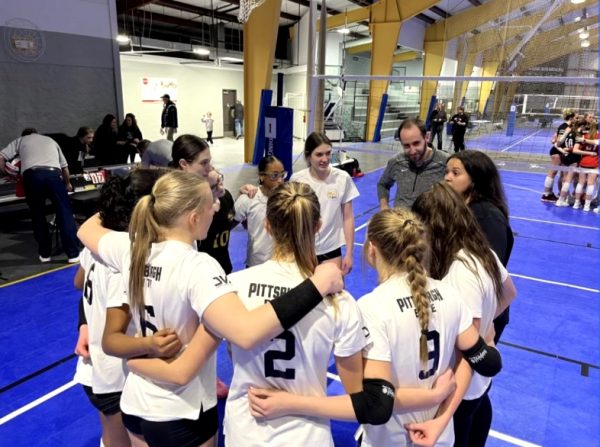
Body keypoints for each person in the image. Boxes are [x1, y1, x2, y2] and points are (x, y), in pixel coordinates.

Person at [76, 170, 344, 447]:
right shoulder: (198, 266)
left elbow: (85, 230)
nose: (216, 208)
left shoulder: (131, 248)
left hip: (136, 402)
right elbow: (247, 332)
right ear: (193, 218)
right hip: (181, 409)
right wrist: (317, 284)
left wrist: (121, 195)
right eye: (210, 205)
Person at [128, 182, 376, 446]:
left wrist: (132, 360)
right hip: (305, 435)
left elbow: (186, 364)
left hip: (245, 430)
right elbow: (356, 401)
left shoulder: (230, 288)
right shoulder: (340, 301)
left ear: (267, 225)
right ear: (319, 226)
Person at [247, 208, 504, 447]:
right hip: (439, 435)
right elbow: (487, 362)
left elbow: (378, 403)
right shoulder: (450, 294)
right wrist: (441, 413)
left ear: (372, 249)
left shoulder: (373, 307)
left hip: (391, 438)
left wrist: (291, 403)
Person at [412, 182, 517, 447]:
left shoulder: (460, 274)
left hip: (462, 390)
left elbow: (467, 358)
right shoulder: (482, 252)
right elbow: (509, 293)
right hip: (478, 384)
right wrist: (488, 325)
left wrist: (442, 417)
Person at [72, 169, 168, 447]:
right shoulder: (124, 257)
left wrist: (86, 321)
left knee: (110, 434)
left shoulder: (98, 245)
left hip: (94, 369)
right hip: (114, 373)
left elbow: (78, 282)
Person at [444, 150, 514, 342]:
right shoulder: (461, 209)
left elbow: (490, 272)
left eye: (455, 173)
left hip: (483, 312)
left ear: (475, 179)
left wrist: (485, 321)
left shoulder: (486, 216)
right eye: (447, 171)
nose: (447, 178)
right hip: (466, 311)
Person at [0, 128, 80, 263]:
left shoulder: (20, 140)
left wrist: (6, 173)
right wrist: (67, 184)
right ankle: (73, 255)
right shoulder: (51, 140)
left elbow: (1, 157)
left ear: (25, 135)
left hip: (32, 176)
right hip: (54, 175)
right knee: (64, 214)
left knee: (38, 216)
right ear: (37, 133)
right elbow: (65, 168)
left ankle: (45, 254)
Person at [290, 132, 359, 275]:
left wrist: (349, 253)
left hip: (332, 251)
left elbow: (348, 217)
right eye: (319, 154)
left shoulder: (342, 178)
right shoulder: (297, 180)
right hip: (304, 251)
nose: (325, 159)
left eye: (328, 153)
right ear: (308, 156)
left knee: (334, 295)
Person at [171, 134, 235, 275]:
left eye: (209, 162)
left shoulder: (222, 196)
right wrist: (210, 198)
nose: (210, 168)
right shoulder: (174, 202)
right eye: (204, 163)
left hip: (220, 269)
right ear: (184, 164)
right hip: (190, 275)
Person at [377, 118, 448, 209]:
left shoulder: (445, 163)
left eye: (416, 143)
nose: (412, 151)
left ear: (426, 137)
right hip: (400, 221)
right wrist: (384, 207)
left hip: (429, 222)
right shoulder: (396, 162)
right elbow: (383, 184)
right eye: (406, 146)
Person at [234, 155, 285, 267]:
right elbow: (226, 225)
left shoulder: (288, 198)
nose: (280, 180)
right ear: (262, 176)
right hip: (256, 263)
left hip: (282, 262)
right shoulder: (249, 199)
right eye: (274, 175)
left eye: (282, 175)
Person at [541, 109, 576, 202]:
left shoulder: (569, 126)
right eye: (575, 117)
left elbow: (554, 138)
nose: (576, 119)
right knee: (552, 172)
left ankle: (552, 193)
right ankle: (546, 195)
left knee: (558, 173)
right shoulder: (564, 127)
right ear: (571, 118)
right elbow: (558, 141)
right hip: (557, 152)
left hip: (561, 152)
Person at [572, 120, 599, 211]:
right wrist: (591, 153)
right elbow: (596, 142)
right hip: (594, 163)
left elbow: (575, 150)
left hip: (583, 162)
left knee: (580, 183)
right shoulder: (597, 136)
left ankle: (576, 204)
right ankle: (587, 206)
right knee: (590, 185)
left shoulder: (583, 136)